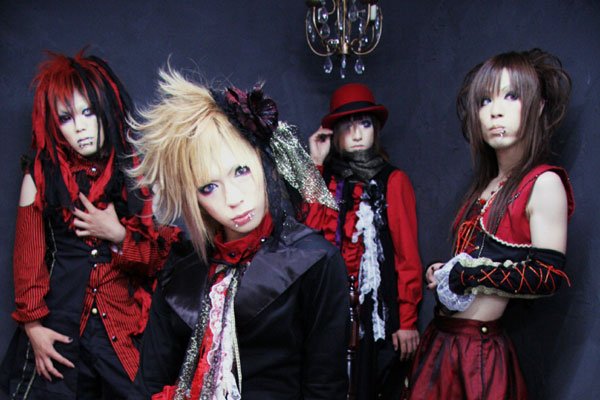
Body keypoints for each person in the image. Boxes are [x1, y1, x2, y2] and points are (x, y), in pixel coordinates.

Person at [126, 68, 349, 399]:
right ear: (194, 198)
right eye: (209, 187)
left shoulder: (314, 260)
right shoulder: (181, 269)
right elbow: (148, 383)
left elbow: (325, 388)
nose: (233, 198)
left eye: (240, 171)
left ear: (262, 161)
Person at [0, 51, 180, 399]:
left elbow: (162, 260)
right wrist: (33, 328)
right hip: (59, 330)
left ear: (107, 110)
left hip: (123, 329)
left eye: (88, 112)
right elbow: (28, 261)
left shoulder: (137, 173)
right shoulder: (39, 176)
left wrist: (118, 235)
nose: (80, 127)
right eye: (66, 118)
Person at [405, 48, 574, 399]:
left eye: (511, 96)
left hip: (478, 358)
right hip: (440, 345)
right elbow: (474, 258)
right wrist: (444, 271)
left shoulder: (542, 183)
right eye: (485, 100)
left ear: (538, 106)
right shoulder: (484, 186)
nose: (495, 111)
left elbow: (548, 277)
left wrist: (468, 275)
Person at [306, 83, 423, 399]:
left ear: (376, 131)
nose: (357, 134)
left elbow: (407, 254)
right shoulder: (326, 180)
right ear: (334, 135)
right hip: (329, 308)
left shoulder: (393, 180)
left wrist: (407, 321)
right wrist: (316, 163)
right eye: (347, 126)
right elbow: (307, 237)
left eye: (365, 124)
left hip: (375, 314)